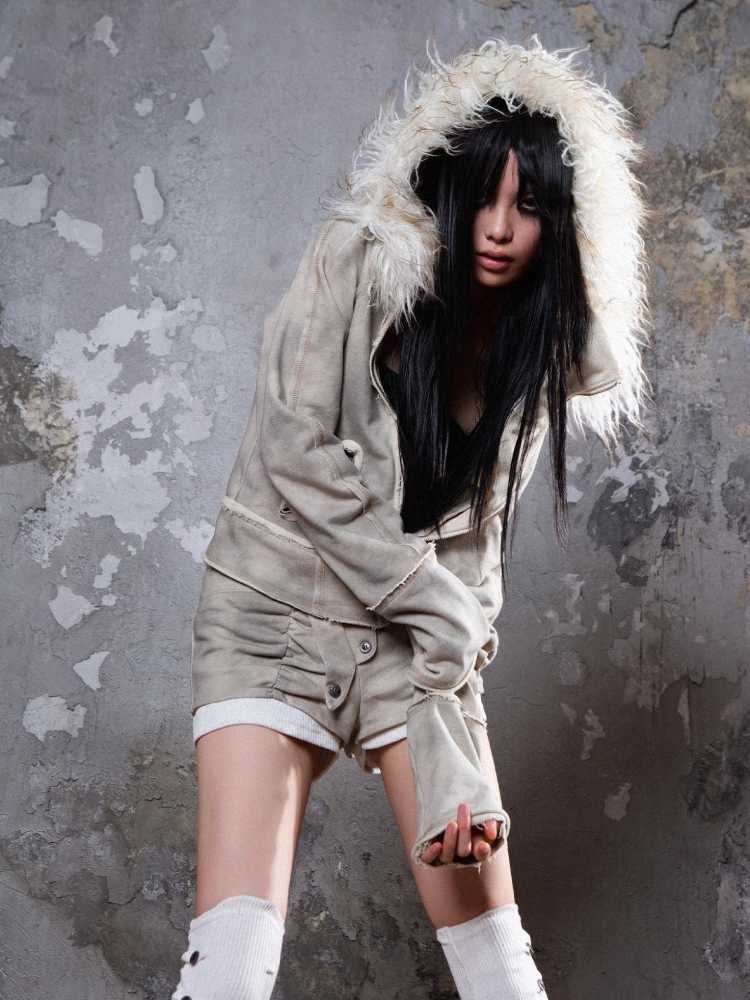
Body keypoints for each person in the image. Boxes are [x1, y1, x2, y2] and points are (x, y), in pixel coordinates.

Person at [171, 34, 651, 1000]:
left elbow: (472, 565)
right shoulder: (356, 259)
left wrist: (453, 749)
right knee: (230, 967)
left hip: (409, 653)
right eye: (483, 196)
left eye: (530, 206)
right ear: (445, 189)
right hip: (273, 619)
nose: (499, 228)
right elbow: (295, 451)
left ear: (561, 225)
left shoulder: (533, 359)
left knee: (501, 971)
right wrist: (432, 607)